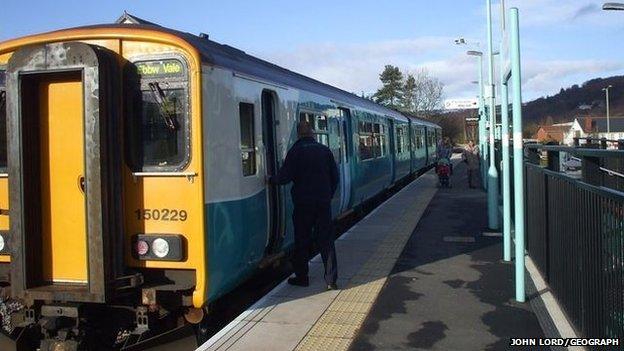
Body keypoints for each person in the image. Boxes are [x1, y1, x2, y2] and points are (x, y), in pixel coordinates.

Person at [270, 121, 340, 290]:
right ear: (313, 133)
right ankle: (331, 280)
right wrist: (327, 196)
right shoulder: (324, 150)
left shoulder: (295, 152)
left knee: (302, 240)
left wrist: (270, 179)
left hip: (303, 204)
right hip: (323, 203)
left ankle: (302, 277)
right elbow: (335, 177)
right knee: (326, 241)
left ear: (299, 134)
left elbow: (284, 177)